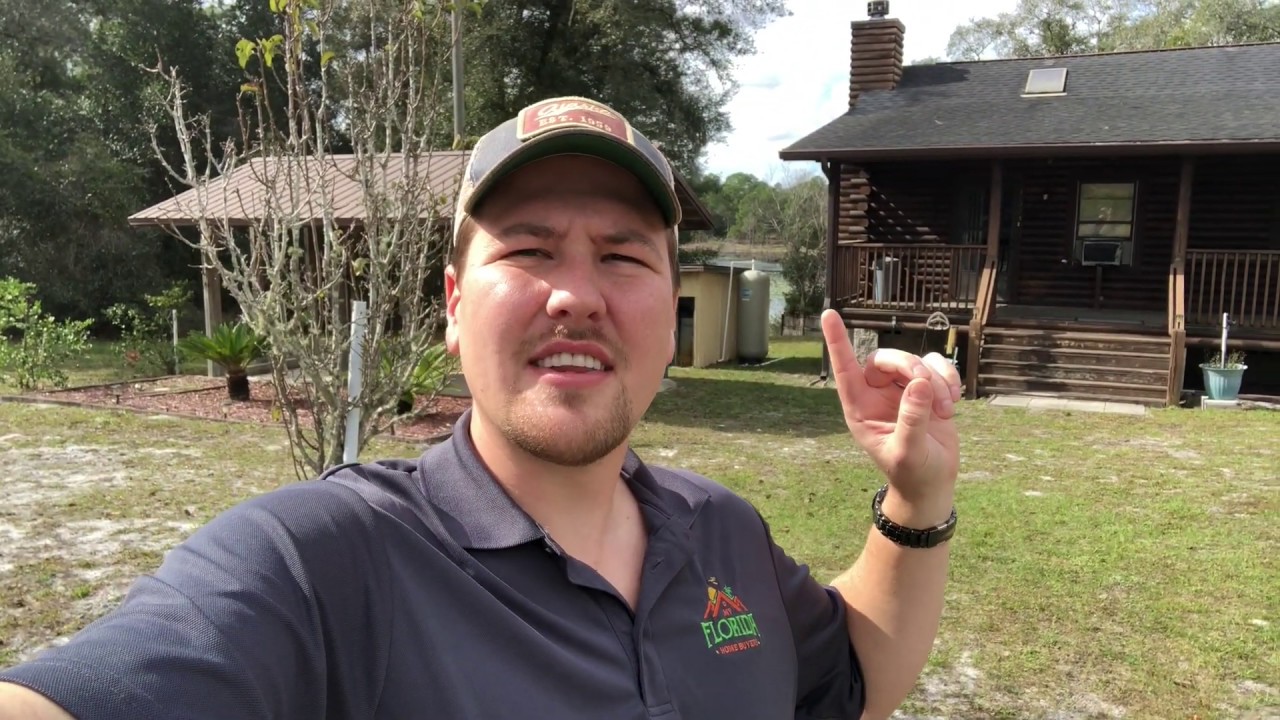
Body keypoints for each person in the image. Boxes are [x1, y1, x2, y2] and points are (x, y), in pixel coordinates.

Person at [0, 96, 961, 720]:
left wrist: (917, 500)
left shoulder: (723, 533)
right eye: (530, 250)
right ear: (455, 310)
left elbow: (850, 681)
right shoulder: (323, 563)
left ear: (668, 319)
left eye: (623, 255)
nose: (574, 292)